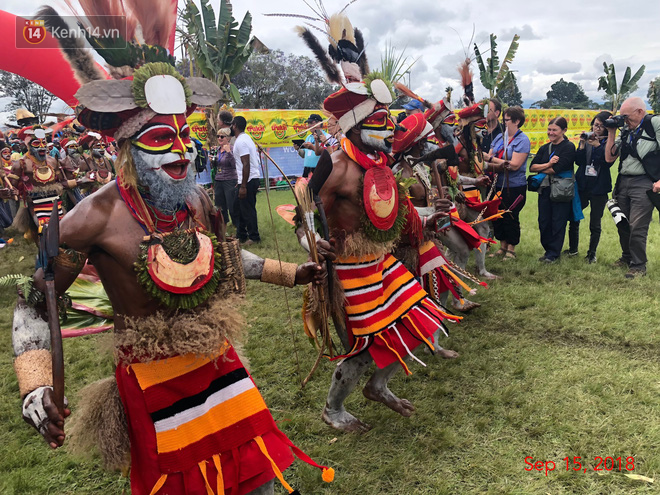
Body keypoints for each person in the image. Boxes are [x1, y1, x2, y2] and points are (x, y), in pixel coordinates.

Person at [10, 55, 334, 495]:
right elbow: (33, 302)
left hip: (215, 359)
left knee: (257, 473)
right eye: (163, 138)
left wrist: (292, 272)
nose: (182, 151)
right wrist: (35, 386)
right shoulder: (91, 219)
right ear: (128, 147)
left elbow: (225, 259)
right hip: (150, 375)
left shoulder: (195, 200)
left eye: (184, 136)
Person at [295, 13, 452, 433]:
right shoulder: (338, 167)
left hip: (380, 262)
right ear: (358, 125)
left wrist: (422, 218)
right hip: (347, 270)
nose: (388, 129)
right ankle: (333, 408)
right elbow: (304, 213)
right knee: (364, 347)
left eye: (388, 121)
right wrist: (312, 243)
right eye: (379, 123)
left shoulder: (379, 160)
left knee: (421, 322)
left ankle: (378, 387)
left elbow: (385, 208)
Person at [605, 97, 660, 278]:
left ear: (640, 112)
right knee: (622, 223)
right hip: (623, 180)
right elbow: (609, 158)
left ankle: (638, 266)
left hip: (644, 181)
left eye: (626, 116)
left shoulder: (655, 123)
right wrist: (612, 132)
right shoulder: (626, 130)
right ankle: (627, 257)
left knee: (637, 225)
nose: (624, 120)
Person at [566, 111, 615, 263]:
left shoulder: (610, 142)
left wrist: (598, 145)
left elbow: (607, 162)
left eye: (601, 126)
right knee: (574, 216)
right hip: (582, 185)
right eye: (595, 125)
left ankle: (591, 253)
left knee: (595, 222)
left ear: (607, 128)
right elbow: (579, 162)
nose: (597, 129)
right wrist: (582, 144)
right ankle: (573, 249)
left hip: (599, 187)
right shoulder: (588, 139)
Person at [484, 106, 531, 259]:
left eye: (507, 120)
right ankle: (502, 246)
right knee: (498, 216)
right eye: (503, 120)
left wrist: (491, 159)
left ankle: (511, 248)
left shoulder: (522, 140)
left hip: (514, 186)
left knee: (510, 215)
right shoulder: (499, 137)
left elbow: (515, 164)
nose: (504, 123)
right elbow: (491, 157)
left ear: (517, 121)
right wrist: (495, 161)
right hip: (497, 183)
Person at [529, 117, 576, 263]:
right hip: (545, 189)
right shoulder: (545, 147)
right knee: (544, 221)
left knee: (558, 221)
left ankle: (554, 253)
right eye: (549, 129)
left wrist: (543, 167)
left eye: (554, 130)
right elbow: (532, 167)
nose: (551, 132)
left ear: (564, 131)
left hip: (561, 190)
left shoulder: (568, 147)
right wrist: (547, 164)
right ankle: (548, 249)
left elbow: (557, 169)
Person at [231, 116, 261, 245]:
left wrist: (243, 186)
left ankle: (254, 237)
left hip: (248, 180)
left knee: (247, 210)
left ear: (235, 125)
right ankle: (241, 235)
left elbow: (246, 163)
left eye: (232, 124)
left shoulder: (241, 141)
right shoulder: (246, 138)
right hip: (246, 179)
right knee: (238, 208)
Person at [213, 127, 237, 226]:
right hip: (218, 179)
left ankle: (237, 225)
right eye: (218, 136)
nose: (219, 138)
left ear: (228, 138)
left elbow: (235, 165)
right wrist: (212, 160)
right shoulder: (217, 150)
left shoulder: (232, 149)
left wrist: (229, 153)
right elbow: (215, 165)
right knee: (220, 205)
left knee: (231, 205)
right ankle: (224, 224)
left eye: (222, 136)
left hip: (229, 179)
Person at [298, 114, 330, 178]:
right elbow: (304, 155)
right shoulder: (308, 137)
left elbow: (328, 153)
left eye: (312, 123)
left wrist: (312, 147)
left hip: (319, 168)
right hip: (307, 168)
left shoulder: (326, 137)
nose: (310, 125)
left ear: (320, 123)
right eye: (308, 123)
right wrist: (298, 149)